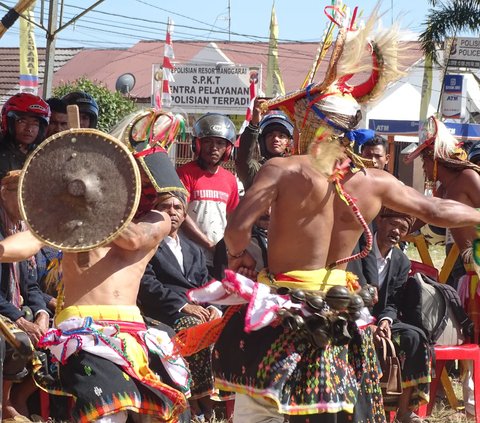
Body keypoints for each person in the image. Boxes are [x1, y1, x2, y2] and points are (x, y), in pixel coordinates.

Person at [181, 17, 480, 422]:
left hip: (284, 310)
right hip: (343, 314)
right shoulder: (374, 182)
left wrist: (239, 257)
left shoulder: (284, 170)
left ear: (307, 121)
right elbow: (438, 210)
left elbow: (236, 228)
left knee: (260, 413)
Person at [0, 111, 191, 422]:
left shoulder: (156, 220)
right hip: (81, 330)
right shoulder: (72, 216)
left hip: (133, 333)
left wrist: (90, 200)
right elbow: (32, 239)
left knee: (159, 415)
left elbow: (132, 240)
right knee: (104, 416)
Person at [404, 116, 480, 417]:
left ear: (436, 157)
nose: (422, 164)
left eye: (424, 156)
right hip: (469, 273)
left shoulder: (468, 179)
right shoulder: (443, 187)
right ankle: (470, 402)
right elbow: (421, 219)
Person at [138, 191, 221, 421]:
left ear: (185, 216)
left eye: (177, 208)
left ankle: (216, 396)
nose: (172, 212)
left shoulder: (193, 249)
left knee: (224, 322)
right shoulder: (149, 248)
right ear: (155, 213)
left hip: (199, 309)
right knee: (193, 325)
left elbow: (206, 282)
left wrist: (214, 306)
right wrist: (183, 305)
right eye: (166, 207)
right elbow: (147, 284)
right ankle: (197, 399)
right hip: (165, 311)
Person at [362, 208, 431, 423]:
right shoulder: (360, 249)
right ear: (379, 221)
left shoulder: (401, 261)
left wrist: (385, 321)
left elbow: (393, 301)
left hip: (380, 319)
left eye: (403, 229)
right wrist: (367, 324)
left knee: (414, 338)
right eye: (394, 224)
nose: (397, 232)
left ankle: (403, 412)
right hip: (354, 316)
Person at [0, 170, 50, 422]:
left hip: (16, 307)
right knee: (15, 338)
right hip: (4, 311)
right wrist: (20, 319)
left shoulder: (22, 231)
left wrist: (41, 313)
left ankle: (16, 398)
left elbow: (30, 284)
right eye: (21, 195)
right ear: (4, 193)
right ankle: (5, 401)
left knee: (58, 336)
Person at [177, 113, 239, 271]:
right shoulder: (185, 173)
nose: (214, 148)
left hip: (218, 257)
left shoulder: (230, 179)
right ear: (197, 145)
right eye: (207, 142)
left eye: (219, 143)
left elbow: (232, 219)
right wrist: (210, 244)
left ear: (228, 149)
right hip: (190, 255)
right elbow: (181, 215)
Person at [235, 98, 294, 191]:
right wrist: (254, 124)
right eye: (270, 135)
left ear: (288, 141)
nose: (276, 139)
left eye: (281, 136)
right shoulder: (256, 170)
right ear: (262, 141)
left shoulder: (295, 170)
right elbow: (243, 160)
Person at [0, 93, 50, 179]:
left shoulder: (43, 154)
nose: (29, 128)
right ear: (9, 122)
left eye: (35, 123)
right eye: (22, 121)